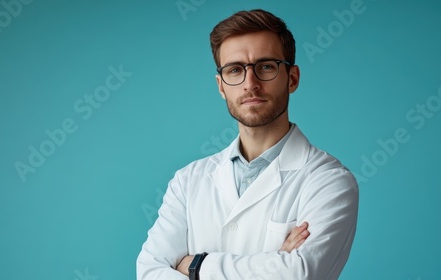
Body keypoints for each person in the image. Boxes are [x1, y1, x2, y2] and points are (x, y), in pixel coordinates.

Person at [137, 9, 358, 280]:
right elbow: (149, 272)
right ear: (221, 86)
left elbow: (300, 274)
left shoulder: (329, 181)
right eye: (235, 70)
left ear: (292, 78)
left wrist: (196, 267)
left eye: (265, 66)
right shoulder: (187, 182)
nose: (250, 84)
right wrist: (276, 262)